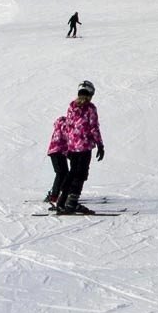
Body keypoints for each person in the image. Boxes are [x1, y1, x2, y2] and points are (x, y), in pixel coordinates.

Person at [49, 80, 105, 215]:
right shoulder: (90, 108)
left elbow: (68, 127)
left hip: (72, 147)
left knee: (72, 173)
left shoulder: (71, 107)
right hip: (84, 147)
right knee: (81, 174)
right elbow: (93, 127)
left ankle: (62, 201)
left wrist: (69, 144)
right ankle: (71, 203)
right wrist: (100, 144)